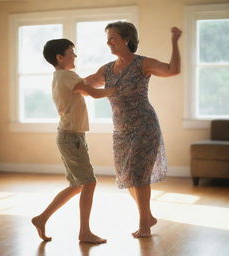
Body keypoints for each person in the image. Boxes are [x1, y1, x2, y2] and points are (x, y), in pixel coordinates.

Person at [82, 21, 182, 238]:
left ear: (126, 39)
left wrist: (174, 41)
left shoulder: (142, 64)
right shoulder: (107, 69)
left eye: (112, 38)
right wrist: (64, 78)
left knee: (138, 175)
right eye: (107, 38)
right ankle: (148, 216)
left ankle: (144, 225)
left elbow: (173, 70)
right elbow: (83, 86)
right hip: (120, 131)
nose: (108, 42)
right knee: (127, 177)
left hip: (144, 126)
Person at [31, 38, 115, 243]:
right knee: (89, 183)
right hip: (71, 138)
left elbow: (88, 85)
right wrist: (117, 89)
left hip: (70, 136)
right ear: (60, 57)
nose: (75, 55)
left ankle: (41, 218)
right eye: (71, 52)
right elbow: (93, 93)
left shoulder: (61, 76)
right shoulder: (67, 75)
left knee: (77, 185)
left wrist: (103, 79)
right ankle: (84, 232)